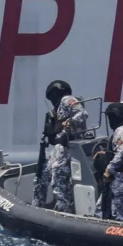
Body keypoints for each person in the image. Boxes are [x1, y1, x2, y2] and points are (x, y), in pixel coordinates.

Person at [36, 79, 88, 213]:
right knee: (43, 175)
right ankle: (37, 206)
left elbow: (82, 114)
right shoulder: (57, 108)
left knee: (58, 177)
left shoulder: (67, 99)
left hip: (68, 145)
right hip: (60, 147)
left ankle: (64, 209)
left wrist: (70, 122)